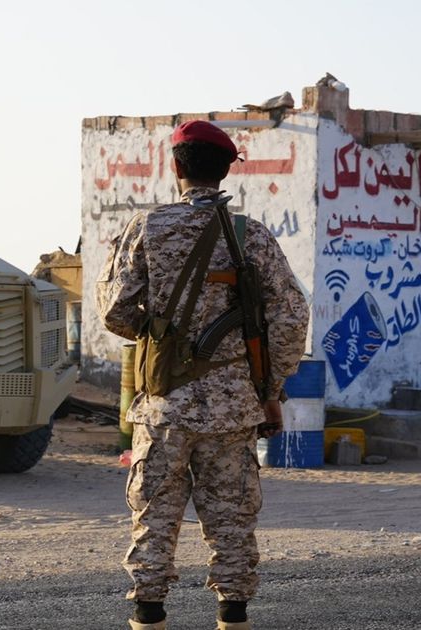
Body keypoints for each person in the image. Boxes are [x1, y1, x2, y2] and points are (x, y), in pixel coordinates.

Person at [96, 120, 309, 630]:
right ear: (225, 171)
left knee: (154, 519)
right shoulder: (250, 236)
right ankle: (233, 617)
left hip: (162, 404)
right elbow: (291, 317)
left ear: (176, 167)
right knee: (231, 522)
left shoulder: (146, 228)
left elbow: (114, 311)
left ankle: (149, 616)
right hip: (233, 407)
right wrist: (272, 388)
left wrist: (160, 334)